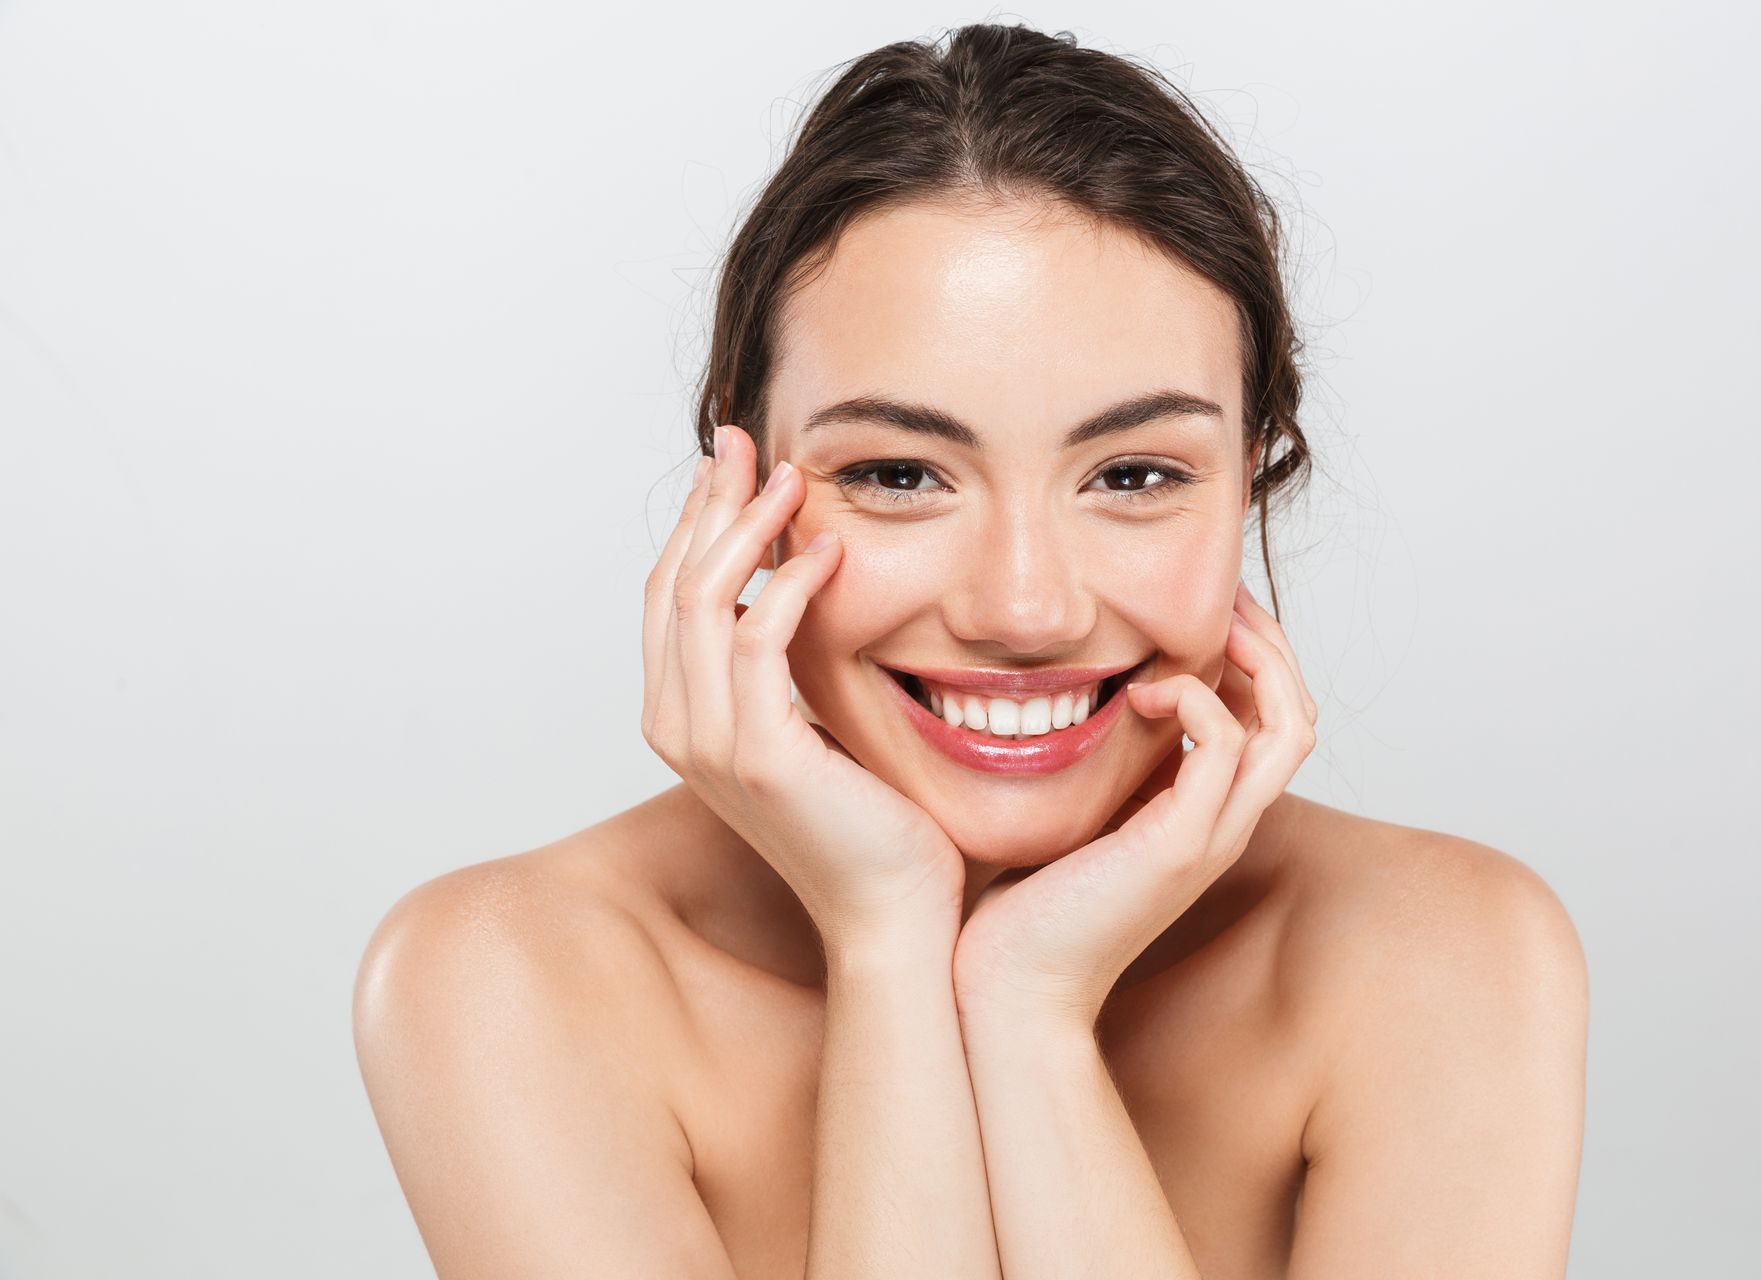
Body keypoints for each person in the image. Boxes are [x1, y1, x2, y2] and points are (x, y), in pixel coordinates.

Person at [352, 22, 1587, 1279]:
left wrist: (1027, 1009)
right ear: (739, 501)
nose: (1025, 607)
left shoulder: (1440, 957)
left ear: (1250, 489)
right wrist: (888, 939)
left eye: (1134, 473)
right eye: (899, 473)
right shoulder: (515, 977)